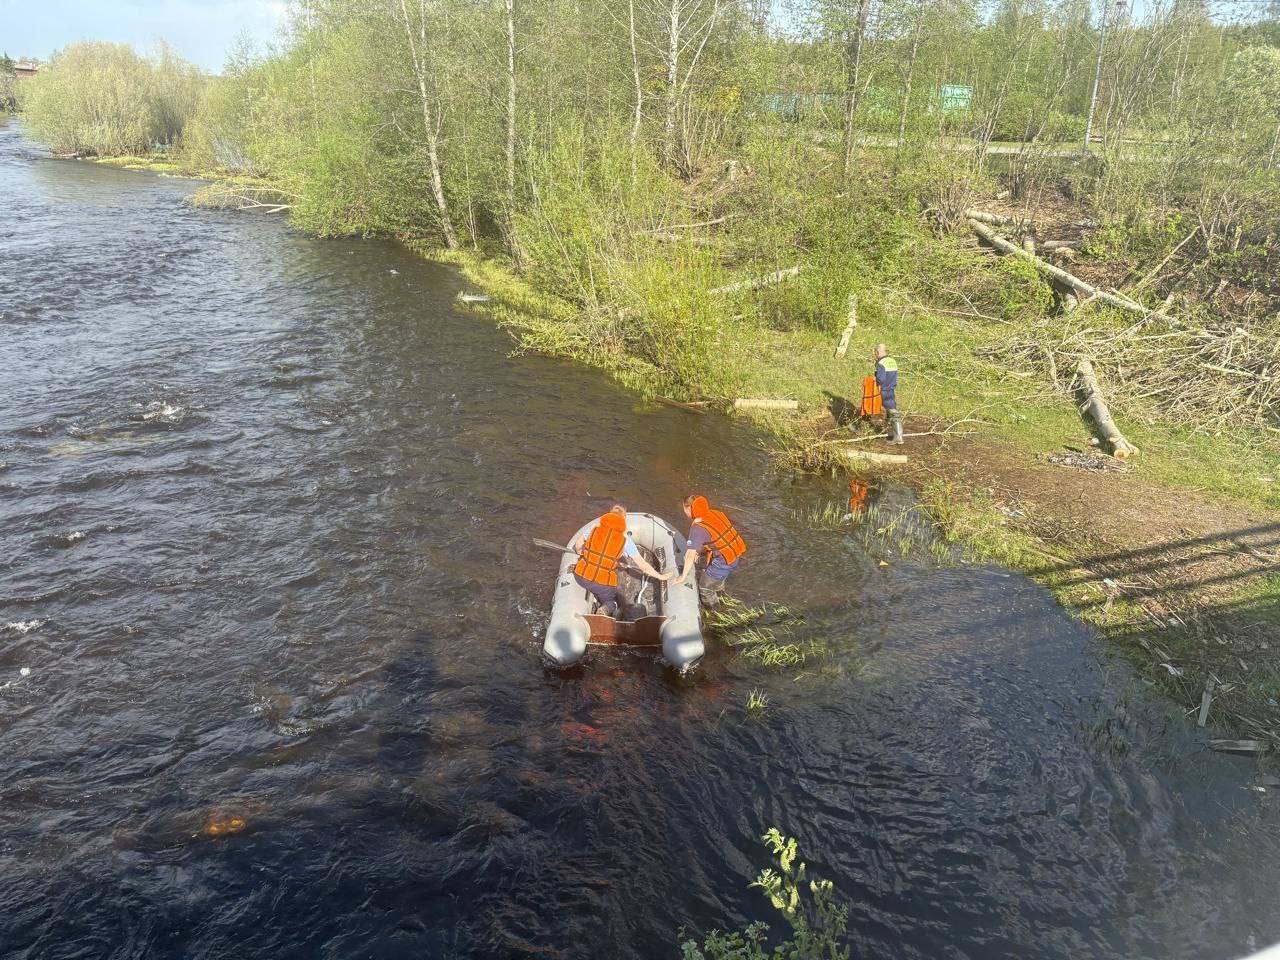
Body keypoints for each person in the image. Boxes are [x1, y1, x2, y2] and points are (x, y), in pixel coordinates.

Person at [572, 504, 670, 618]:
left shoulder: (594, 528)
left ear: (609, 513)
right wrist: (660, 576)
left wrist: (581, 552)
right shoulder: (625, 540)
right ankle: (606, 607)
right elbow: (643, 566)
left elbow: (578, 545)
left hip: (580, 576)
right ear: (624, 518)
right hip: (601, 584)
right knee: (613, 601)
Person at [673, 494, 746, 608]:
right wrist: (699, 552)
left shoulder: (698, 528)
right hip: (735, 555)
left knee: (705, 588)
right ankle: (722, 597)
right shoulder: (716, 513)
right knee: (716, 581)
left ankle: (715, 611)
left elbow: (690, 555)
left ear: (690, 509)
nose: (684, 512)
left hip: (723, 562)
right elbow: (715, 537)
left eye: (684, 509)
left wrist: (682, 576)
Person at [873, 343, 903, 445]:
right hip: (891, 388)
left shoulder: (881, 363)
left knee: (892, 411)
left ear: (877, 352)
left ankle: (898, 437)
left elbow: (880, 379)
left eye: (875, 353)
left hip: (884, 390)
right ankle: (890, 432)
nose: (875, 355)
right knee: (889, 411)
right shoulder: (892, 361)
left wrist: (875, 379)